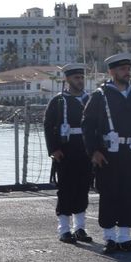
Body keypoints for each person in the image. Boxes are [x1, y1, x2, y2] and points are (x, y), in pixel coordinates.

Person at [83, 52, 131, 254]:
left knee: (130, 194)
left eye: (128, 69)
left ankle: (125, 238)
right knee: (110, 194)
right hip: (108, 153)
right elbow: (88, 125)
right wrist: (94, 151)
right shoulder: (100, 95)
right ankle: (110, 238)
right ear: (112, 72)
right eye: (122, 69)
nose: (127, 72)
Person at [44, 64, 93, 244]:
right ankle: (64, 229)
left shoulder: (89, 100)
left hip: (85, 149)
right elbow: (48, 126)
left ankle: (80, 228)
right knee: (66, 189)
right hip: (65, 150)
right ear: (67, 79)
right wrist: (53, 149)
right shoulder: (58, 101)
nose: (80, 81)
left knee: (83, 188)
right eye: (76, 78)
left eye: (81, 77)